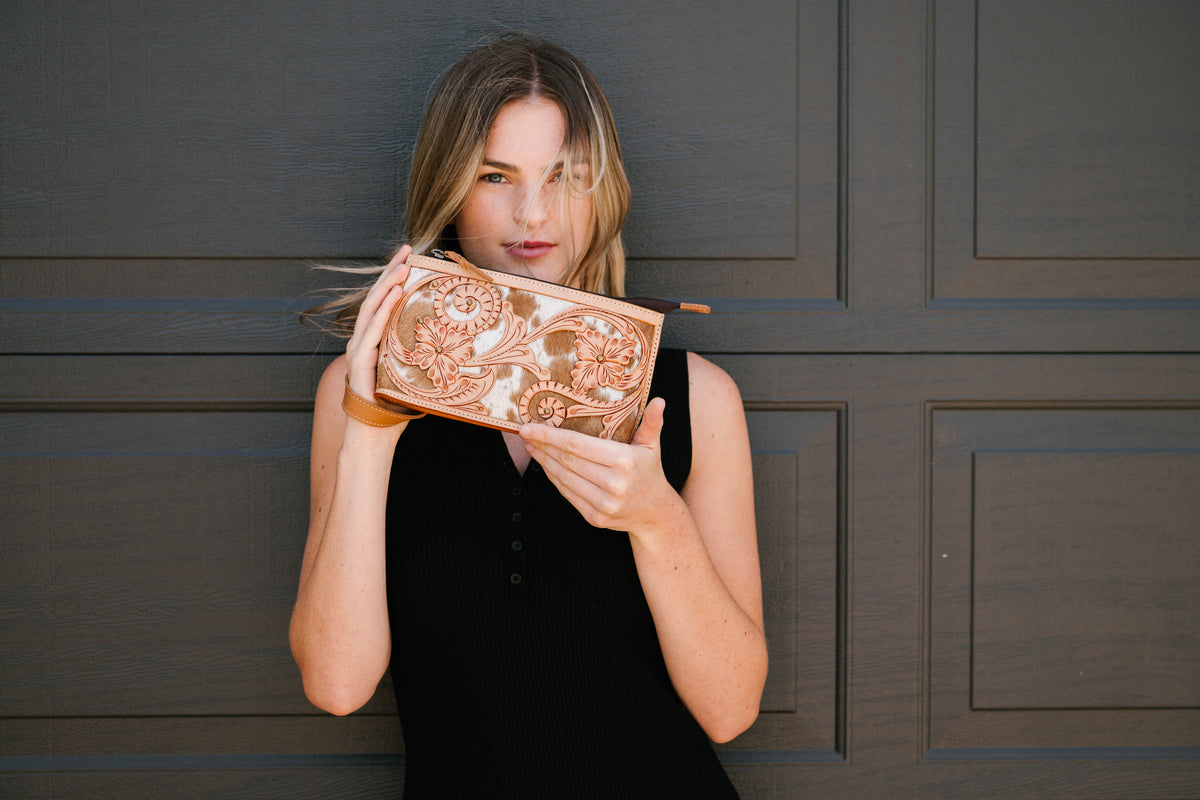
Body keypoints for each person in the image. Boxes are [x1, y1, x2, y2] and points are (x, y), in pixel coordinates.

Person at [289, 33, 767, 798]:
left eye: (565, 176)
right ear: (450, 189)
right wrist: (372, 434)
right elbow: (337, 683)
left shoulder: (699, 398)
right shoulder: (355, 390)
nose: (532, 212)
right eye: (495, 175)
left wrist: (657, 520)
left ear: (603, 192)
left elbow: (731, 709)